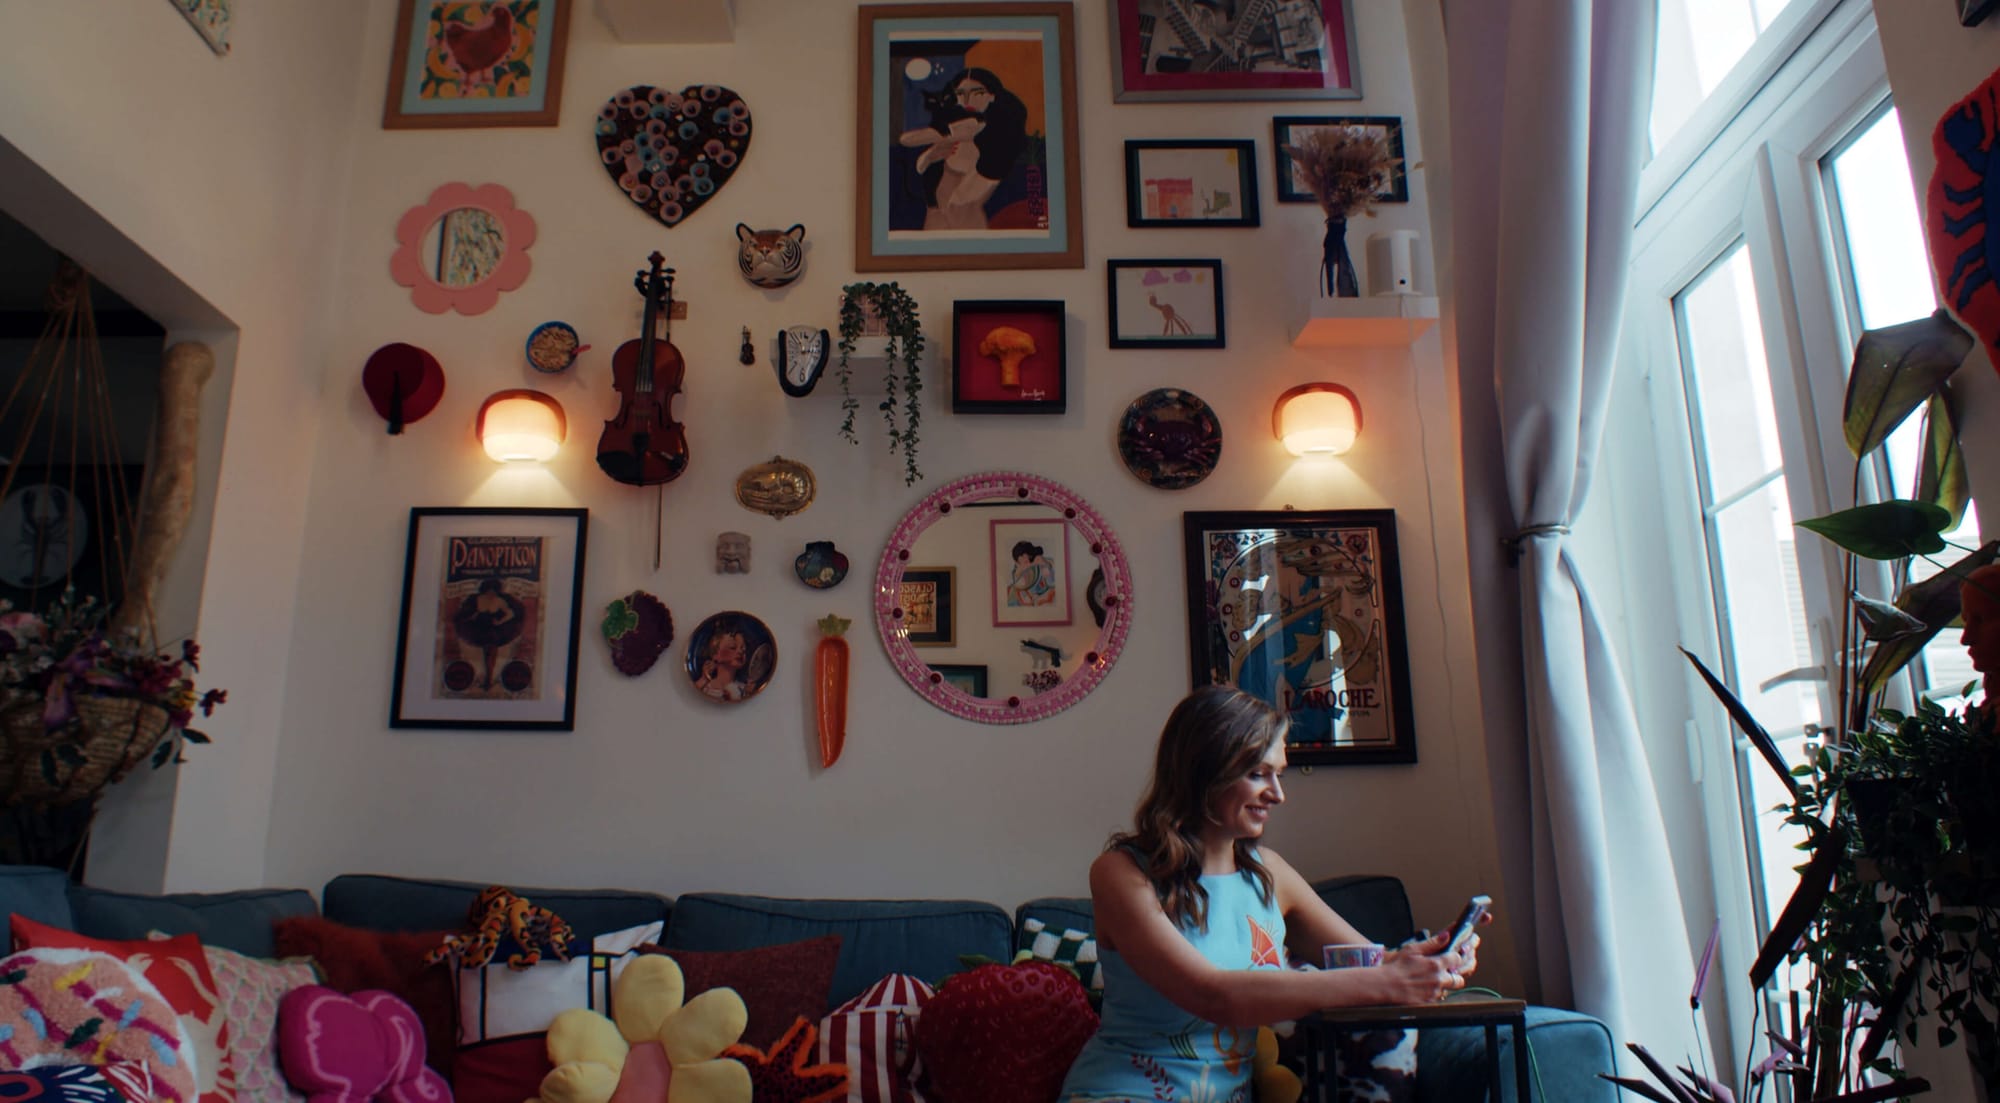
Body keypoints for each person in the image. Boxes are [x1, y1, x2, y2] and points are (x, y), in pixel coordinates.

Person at [1058, 685, 1479, 1102]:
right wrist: (1387, 981)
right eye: (1257, 773)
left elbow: (1368, 961)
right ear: (1204, 771)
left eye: (1278, 774)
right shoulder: (1122, 873)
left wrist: (1437, 957)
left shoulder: (1269, 874)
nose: (1277, 794)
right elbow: (1213, 996)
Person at [897, 67, 1029, 231]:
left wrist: (925, 154)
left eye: (977, 93)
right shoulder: (959, 116)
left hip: (976, 178)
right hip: (950, 175)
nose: (967, 100)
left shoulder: (987, 123)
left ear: (992, 95)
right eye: (960, 93)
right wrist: (930, 156)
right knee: (936, 213)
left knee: (959, 208)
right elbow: (937, 139)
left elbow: (917, 138)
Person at [1008, 540, 1056, 607]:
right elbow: (1018, 585)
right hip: (1027, 594)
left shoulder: (1040, 561)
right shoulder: (1018, 570)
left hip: (1044, 591)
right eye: (1022, 562)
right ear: (1017, 562)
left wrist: (1044, 565)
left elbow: (1051, 581)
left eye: (1027, 560)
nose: (1026, 565)